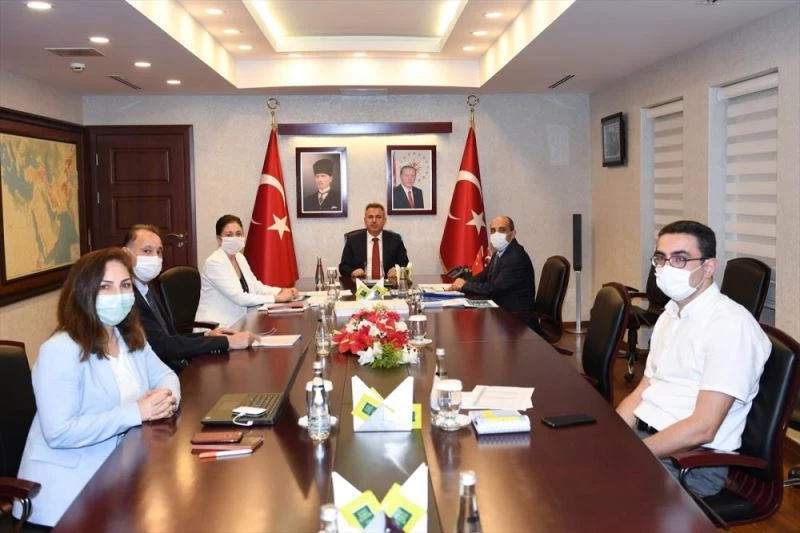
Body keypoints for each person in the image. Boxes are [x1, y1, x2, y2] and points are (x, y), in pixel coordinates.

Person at [13, 248, 180, 527]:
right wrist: (136, 412)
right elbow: (59, 432)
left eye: (125, 285)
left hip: (120, 477)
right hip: (66, 497)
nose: (119, 294)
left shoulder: (129, 337)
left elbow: (166, 374)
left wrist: (165, 397)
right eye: (105, 287)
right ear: (83, 293)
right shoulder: (61, 350)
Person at [615, 220, 771, 497]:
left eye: (680, 259)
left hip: (688, 462)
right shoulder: (670, 315)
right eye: (661, 259)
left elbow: (703, 428)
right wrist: (611, 438)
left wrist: (631, 453)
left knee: (594, 498)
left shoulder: (730, 326)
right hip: (647, 440)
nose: (667, 268)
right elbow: (642, 391)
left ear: (709, 267)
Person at [123, 224, 257, 371]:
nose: (155, 258)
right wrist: (227, 342)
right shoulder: (128, 298)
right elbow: (163, 346)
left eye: (159, 252)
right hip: (159, 372)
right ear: (126, 254)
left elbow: (170, 337)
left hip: (172, 363)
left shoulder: (146, 288)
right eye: (147, 251)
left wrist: (207, 335)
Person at [195, 215, 297, 328]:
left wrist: (280, 291)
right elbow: (239, 297)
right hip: (216, 328)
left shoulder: (239, 257)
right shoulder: (214, 262)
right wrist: (276, 298)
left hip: (239, 323)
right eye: (229, 235)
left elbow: (256, 286)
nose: (234, 238)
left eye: (238, 234)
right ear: (219, 239)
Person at [448, 215, 535, 313]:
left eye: (502, 230)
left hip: (515, 316)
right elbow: (483, 276)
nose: (496, 234)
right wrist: (461, 282)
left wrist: (465, 285)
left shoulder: (515, 257)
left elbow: (495, 288)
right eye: (493, 230)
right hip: (500, 310)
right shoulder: (499, 253)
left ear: (512, 234)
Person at [339, 203, 409, 279]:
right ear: (365, 220)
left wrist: (397, 270)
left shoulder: (395, 239)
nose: (374, 220)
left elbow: (405, 263)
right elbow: (343, 266)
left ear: (384, 220)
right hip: (361, 284)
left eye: (378, 217)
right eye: (370, 217)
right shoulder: (353, 240)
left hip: (387, 283)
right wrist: (352, 272)